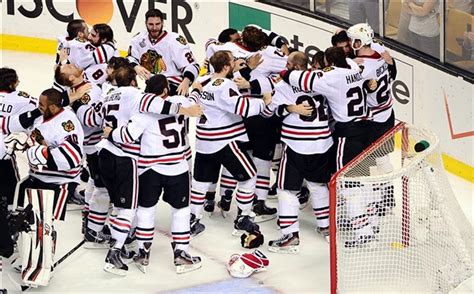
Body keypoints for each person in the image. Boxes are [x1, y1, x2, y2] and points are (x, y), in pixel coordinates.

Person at [106, 74, 201, 274]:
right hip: (178, 168)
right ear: (166, 91)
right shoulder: (180, 102)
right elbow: (195, 102)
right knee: (181, 211)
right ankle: (181, 254)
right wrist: (197, 89)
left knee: (145, 210)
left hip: (149, 169)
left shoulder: (143, 114)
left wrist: (109, 133)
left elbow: (126, 136)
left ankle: (143, 252)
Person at [190, 50, 271, 238]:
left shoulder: (202, 81)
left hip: (204, 141)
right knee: (249, 177)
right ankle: (242, 218)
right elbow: (241, 108)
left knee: (200, 182)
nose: (235, 62)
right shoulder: (224, 85)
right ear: (226, 67)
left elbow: (192, 98)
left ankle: (192, 219)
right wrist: (264, 102)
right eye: (233, 61)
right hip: (225, 141)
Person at [265, 51, 334, 252]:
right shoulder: (320, 81)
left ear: (295, 67)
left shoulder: (284, 85)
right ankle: (326, 227)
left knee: (286, 189)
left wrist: (289, 108)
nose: (284, 66)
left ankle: (290, 234)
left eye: (288, 63)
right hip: (323, 144)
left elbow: (270, 112)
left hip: (296, 145)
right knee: (318, 185)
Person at [128, 9, 200, 95]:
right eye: (151, 24)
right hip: (152, 85)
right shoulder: (139, 38)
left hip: (173, 86)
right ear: (145, 23)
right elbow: (130, 57)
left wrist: (186, 82)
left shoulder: (175, 41)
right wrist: (135, 66)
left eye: (157, 24)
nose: (154, 28)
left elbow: (193, 65)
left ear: (162, 23)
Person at [0, 68, 38, 209]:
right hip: (4, 156)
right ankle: (13, 218)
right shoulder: (23, 99)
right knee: (13, 192)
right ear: (12, 84)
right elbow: (39, 110)